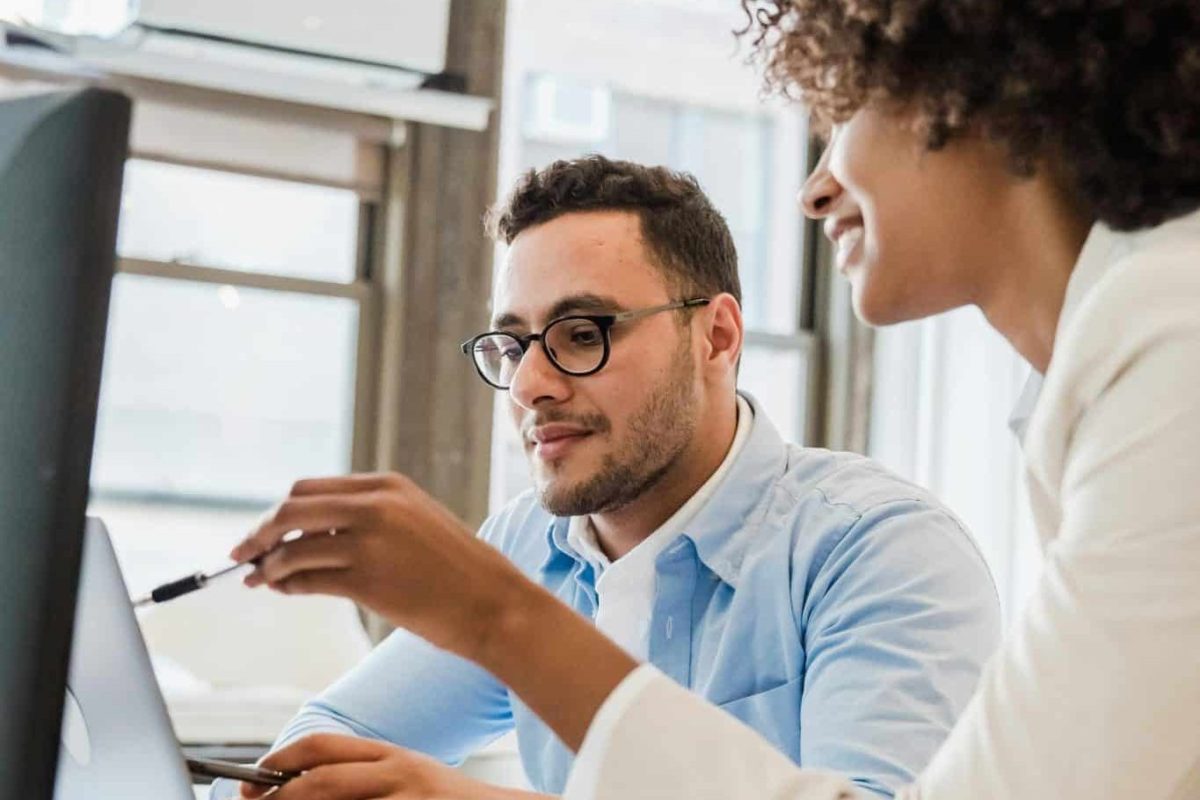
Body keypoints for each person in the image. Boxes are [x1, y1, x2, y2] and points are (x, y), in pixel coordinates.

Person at [229, 0, 1200, 794]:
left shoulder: (1168, 344)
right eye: (516, 342)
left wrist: (498, 619)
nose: (818, 190)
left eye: (850, 107)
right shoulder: (1119, 357)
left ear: (984, 96)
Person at [215, 156, 1000, 800]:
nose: (530, 385)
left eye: (582, 334)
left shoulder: (878, 550)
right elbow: (325, 749)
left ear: (717, 337)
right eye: (512, 345)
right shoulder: (530, 543)